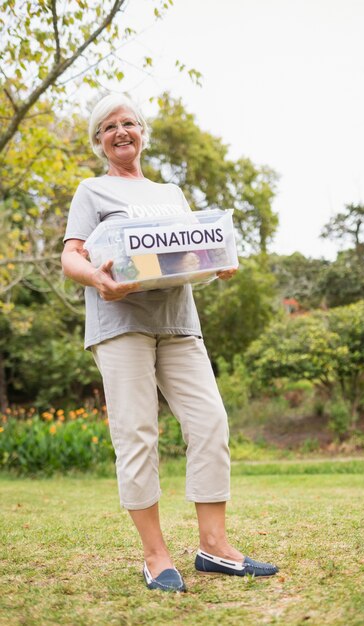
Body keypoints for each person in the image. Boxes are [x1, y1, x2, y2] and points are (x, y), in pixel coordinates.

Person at [61, 94, 278, 592]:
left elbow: (189, 255)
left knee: (210, 422)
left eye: (130, 123)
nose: (122, 131)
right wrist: (97, 277)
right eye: (110, 126)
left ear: (142, 133)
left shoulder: (171, 193)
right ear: (99, 141)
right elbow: (71, 256)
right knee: (138, 435)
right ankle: (157, 557)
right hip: (120, 323)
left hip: (178, 321)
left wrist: (217, 260)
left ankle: (214, 547)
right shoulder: (91, 191)